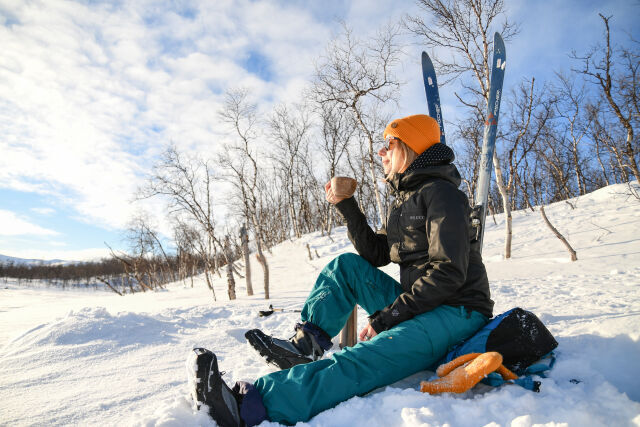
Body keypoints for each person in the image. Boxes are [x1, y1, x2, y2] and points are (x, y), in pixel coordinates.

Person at [188, 114, 494, 426]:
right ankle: (306, 345)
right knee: (346, 267)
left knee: (363, 358)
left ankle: (249, 406)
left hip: (458, 311)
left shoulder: (443, 194)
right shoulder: (406, 200)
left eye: (389, 144)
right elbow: (376, 254)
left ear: (408, 147)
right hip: (425, 304)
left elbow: (449, 272)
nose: (381, 152)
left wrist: (389, 316)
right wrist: (347, 205)